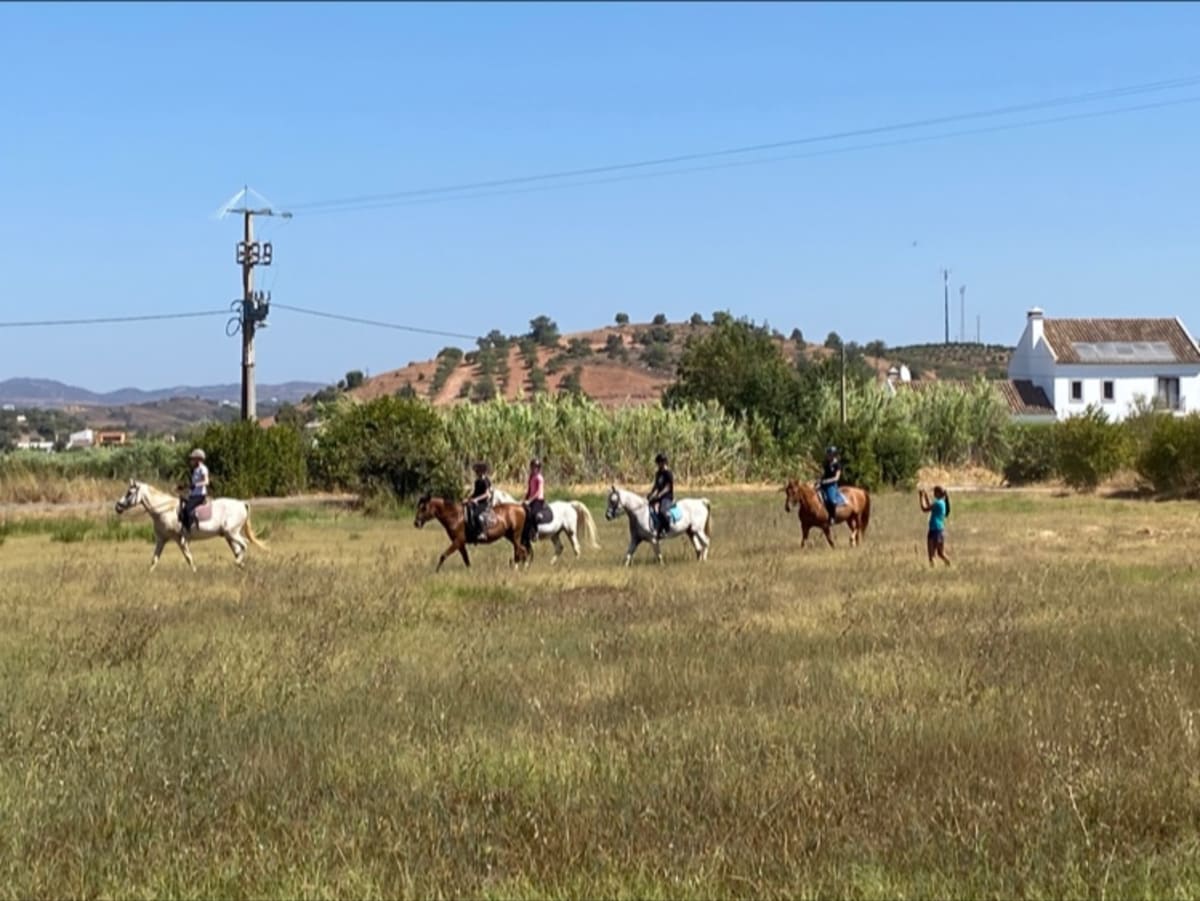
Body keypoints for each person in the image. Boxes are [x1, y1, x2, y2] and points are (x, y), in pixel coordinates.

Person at [919, 485, 951, 566]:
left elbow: (924, 508)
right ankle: (949, 564)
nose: (933, 494)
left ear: (938, 493)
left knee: (931, 555)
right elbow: (930, 506)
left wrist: (921, 497)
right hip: (940, 530)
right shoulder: (942, 503)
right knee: (941, 553)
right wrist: (926, 496)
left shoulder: (937, 503)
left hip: (934, 530)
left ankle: (932, 569)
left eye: (934, 492)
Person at [180, 448, 209, 535]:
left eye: (193, 459)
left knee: (188, 509)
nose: (191, 461)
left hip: (200, 495)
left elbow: (206, 481)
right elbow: (193, 484)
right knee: (181, 506)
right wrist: (185, 487)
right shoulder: (195, 470)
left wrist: (195, 485)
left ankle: (190, 530)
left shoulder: (203, 469)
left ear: (198, 460)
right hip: (193, 494)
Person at [646, 452, 675, 539]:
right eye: (658, 463)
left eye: (659, 463)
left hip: (667, 497)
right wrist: (651, 493)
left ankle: (666, 529)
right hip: (659, 496)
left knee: (662, 510)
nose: (658, 465)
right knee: (649, 506)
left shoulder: (668, 473)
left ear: (664, 462)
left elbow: (668, 487)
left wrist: (660, 494)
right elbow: (656, 485)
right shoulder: (658, 473)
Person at [521, 457, 546, 548]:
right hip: (531, 499)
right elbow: (529, 490)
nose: (533, 468)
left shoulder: (539, 478)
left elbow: (538, 492)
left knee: (533, 513)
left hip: (538, 500)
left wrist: (530, 501)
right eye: (532, 467)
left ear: (538, 468)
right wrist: (524, 499)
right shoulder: (531, 477)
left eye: (535, 467)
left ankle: (535, 532)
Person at [463, 462, 492, 542]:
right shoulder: (477, 481)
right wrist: (468, 499)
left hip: (484, 503)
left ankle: (482, 532)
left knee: (476, 514)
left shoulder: (486, 481)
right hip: (476, 502)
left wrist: (476, 499)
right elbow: (475, 493)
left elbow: (487, 494)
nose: (476, 472)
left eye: (477, 471)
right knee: (467, 510)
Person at [817, 446, 843, 521]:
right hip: (823, 483)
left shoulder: (837, 465)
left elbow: (836, 478)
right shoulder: (826, 463)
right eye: (828, 454)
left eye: (829, 454)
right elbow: (824, 474)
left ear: (833, 455)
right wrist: (819, 480)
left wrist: (827, 481)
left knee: (831, 500)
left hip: (832, 485)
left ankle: (832, 516)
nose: (827, 456)